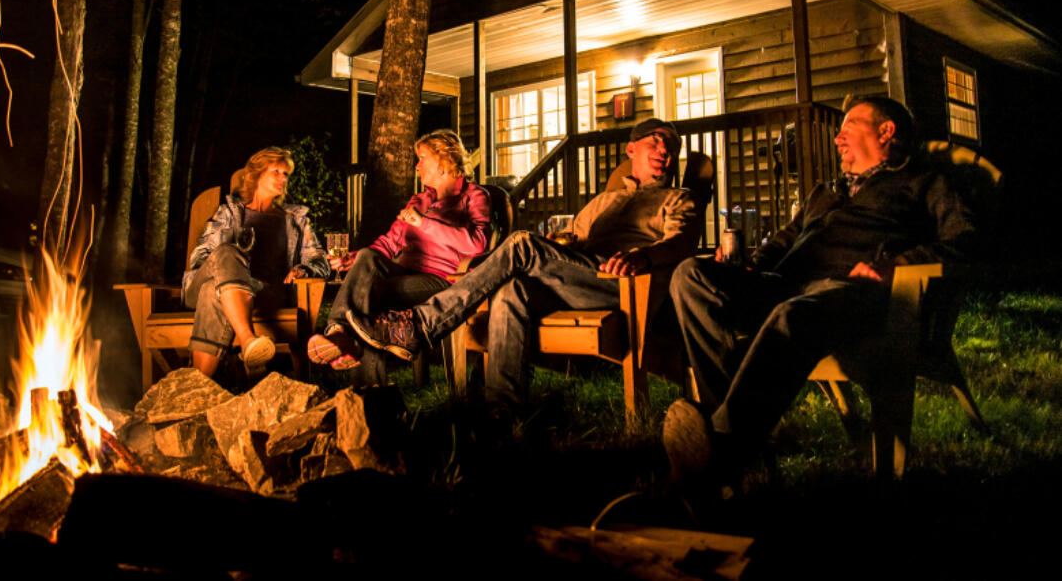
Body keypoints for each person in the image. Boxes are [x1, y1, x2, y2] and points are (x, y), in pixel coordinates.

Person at [663, 95, 979, 493]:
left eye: (848, 127)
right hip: (784, 285)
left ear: (886, 131)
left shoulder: (924, 183)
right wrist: (748, 266)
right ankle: (724, 433)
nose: (837, 139)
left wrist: (896, 265)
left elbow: (966, 241)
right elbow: (783, 241)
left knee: (793, 315)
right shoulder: (826, 192)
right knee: (690, 275)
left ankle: (719, 449)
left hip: (852, 291)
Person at [346, 118, 701, 410]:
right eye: (655, 141)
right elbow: (573, 238)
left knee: (521, 243)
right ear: (632, 149)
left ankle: (421, 324)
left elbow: (682, 243)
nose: (665, 150)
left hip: (622, 283)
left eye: (671, 146)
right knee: (511, 288)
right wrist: (565, 242)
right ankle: (503, 406)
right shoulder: (604, 201)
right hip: (580, 277)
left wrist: (645, 255)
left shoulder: (678, 198)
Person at [307, 129, 491, 370]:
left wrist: (424, 224)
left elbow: (477, 244)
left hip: (442, 279)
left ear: (444, 160)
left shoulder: (474, 196)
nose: (417, 166)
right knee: (367, 257)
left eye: (422, 158)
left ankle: (351, 356)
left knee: (371, 292)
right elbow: (389, 242)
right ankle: (339, 330)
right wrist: (353, 259)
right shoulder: (419, 201)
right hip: (405, 272)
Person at [183, 147, 331, 378]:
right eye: (276, 172)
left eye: (285, 174)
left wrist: (304, 268)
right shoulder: (228, 214)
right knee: (224, 254)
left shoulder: (295, 220)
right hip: (208, 280)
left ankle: (199, 390)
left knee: (213, 293)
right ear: (257, 175)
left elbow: (320, 260)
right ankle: (247, 339)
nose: (283, 178)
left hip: (264, 292)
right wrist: (229, 269)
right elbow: (201, 256)